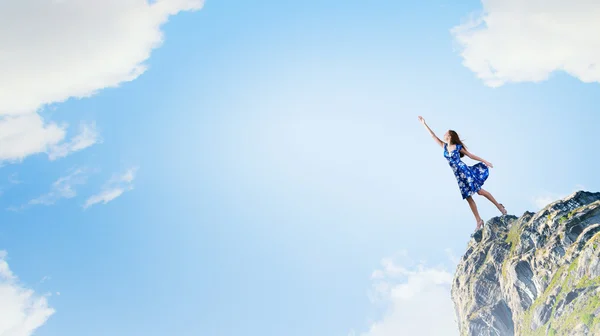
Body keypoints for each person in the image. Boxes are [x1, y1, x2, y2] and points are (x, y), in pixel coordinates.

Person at [418, 116, 507, 230]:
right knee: (468, 198)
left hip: (464, 171)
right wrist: (424, 124)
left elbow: (471, 155)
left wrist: (485, 161)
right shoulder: (444, 147)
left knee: (479, 191)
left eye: (446, 133)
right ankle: (478, 220)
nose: (443, 134)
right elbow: (433, 136)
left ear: (450, 136)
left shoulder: (457, 147)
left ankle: (499, 206)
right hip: (458, 176)